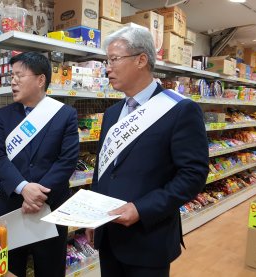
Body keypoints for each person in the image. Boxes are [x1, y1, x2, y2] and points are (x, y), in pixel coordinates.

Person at [85, 26, 209, 276]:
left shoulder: (180, 110)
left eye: (114, 59)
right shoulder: (111, 114)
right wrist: (92, 217)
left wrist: (142, 209)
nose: (107, 67)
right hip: (108, 235)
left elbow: (193, 175)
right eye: (106, 60)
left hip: (149, 239)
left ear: (141, 59)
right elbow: (104, 169)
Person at [0, 52, 79, 277]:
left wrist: (37, 195)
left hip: (49, 208)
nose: (13, 81)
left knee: (50, 269)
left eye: (19, 75)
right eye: (12, 76)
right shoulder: (4, 115)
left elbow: (67, 161)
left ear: (40, 80)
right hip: (11, 208)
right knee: (9, 269)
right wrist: (23, 187)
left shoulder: (65, 115)